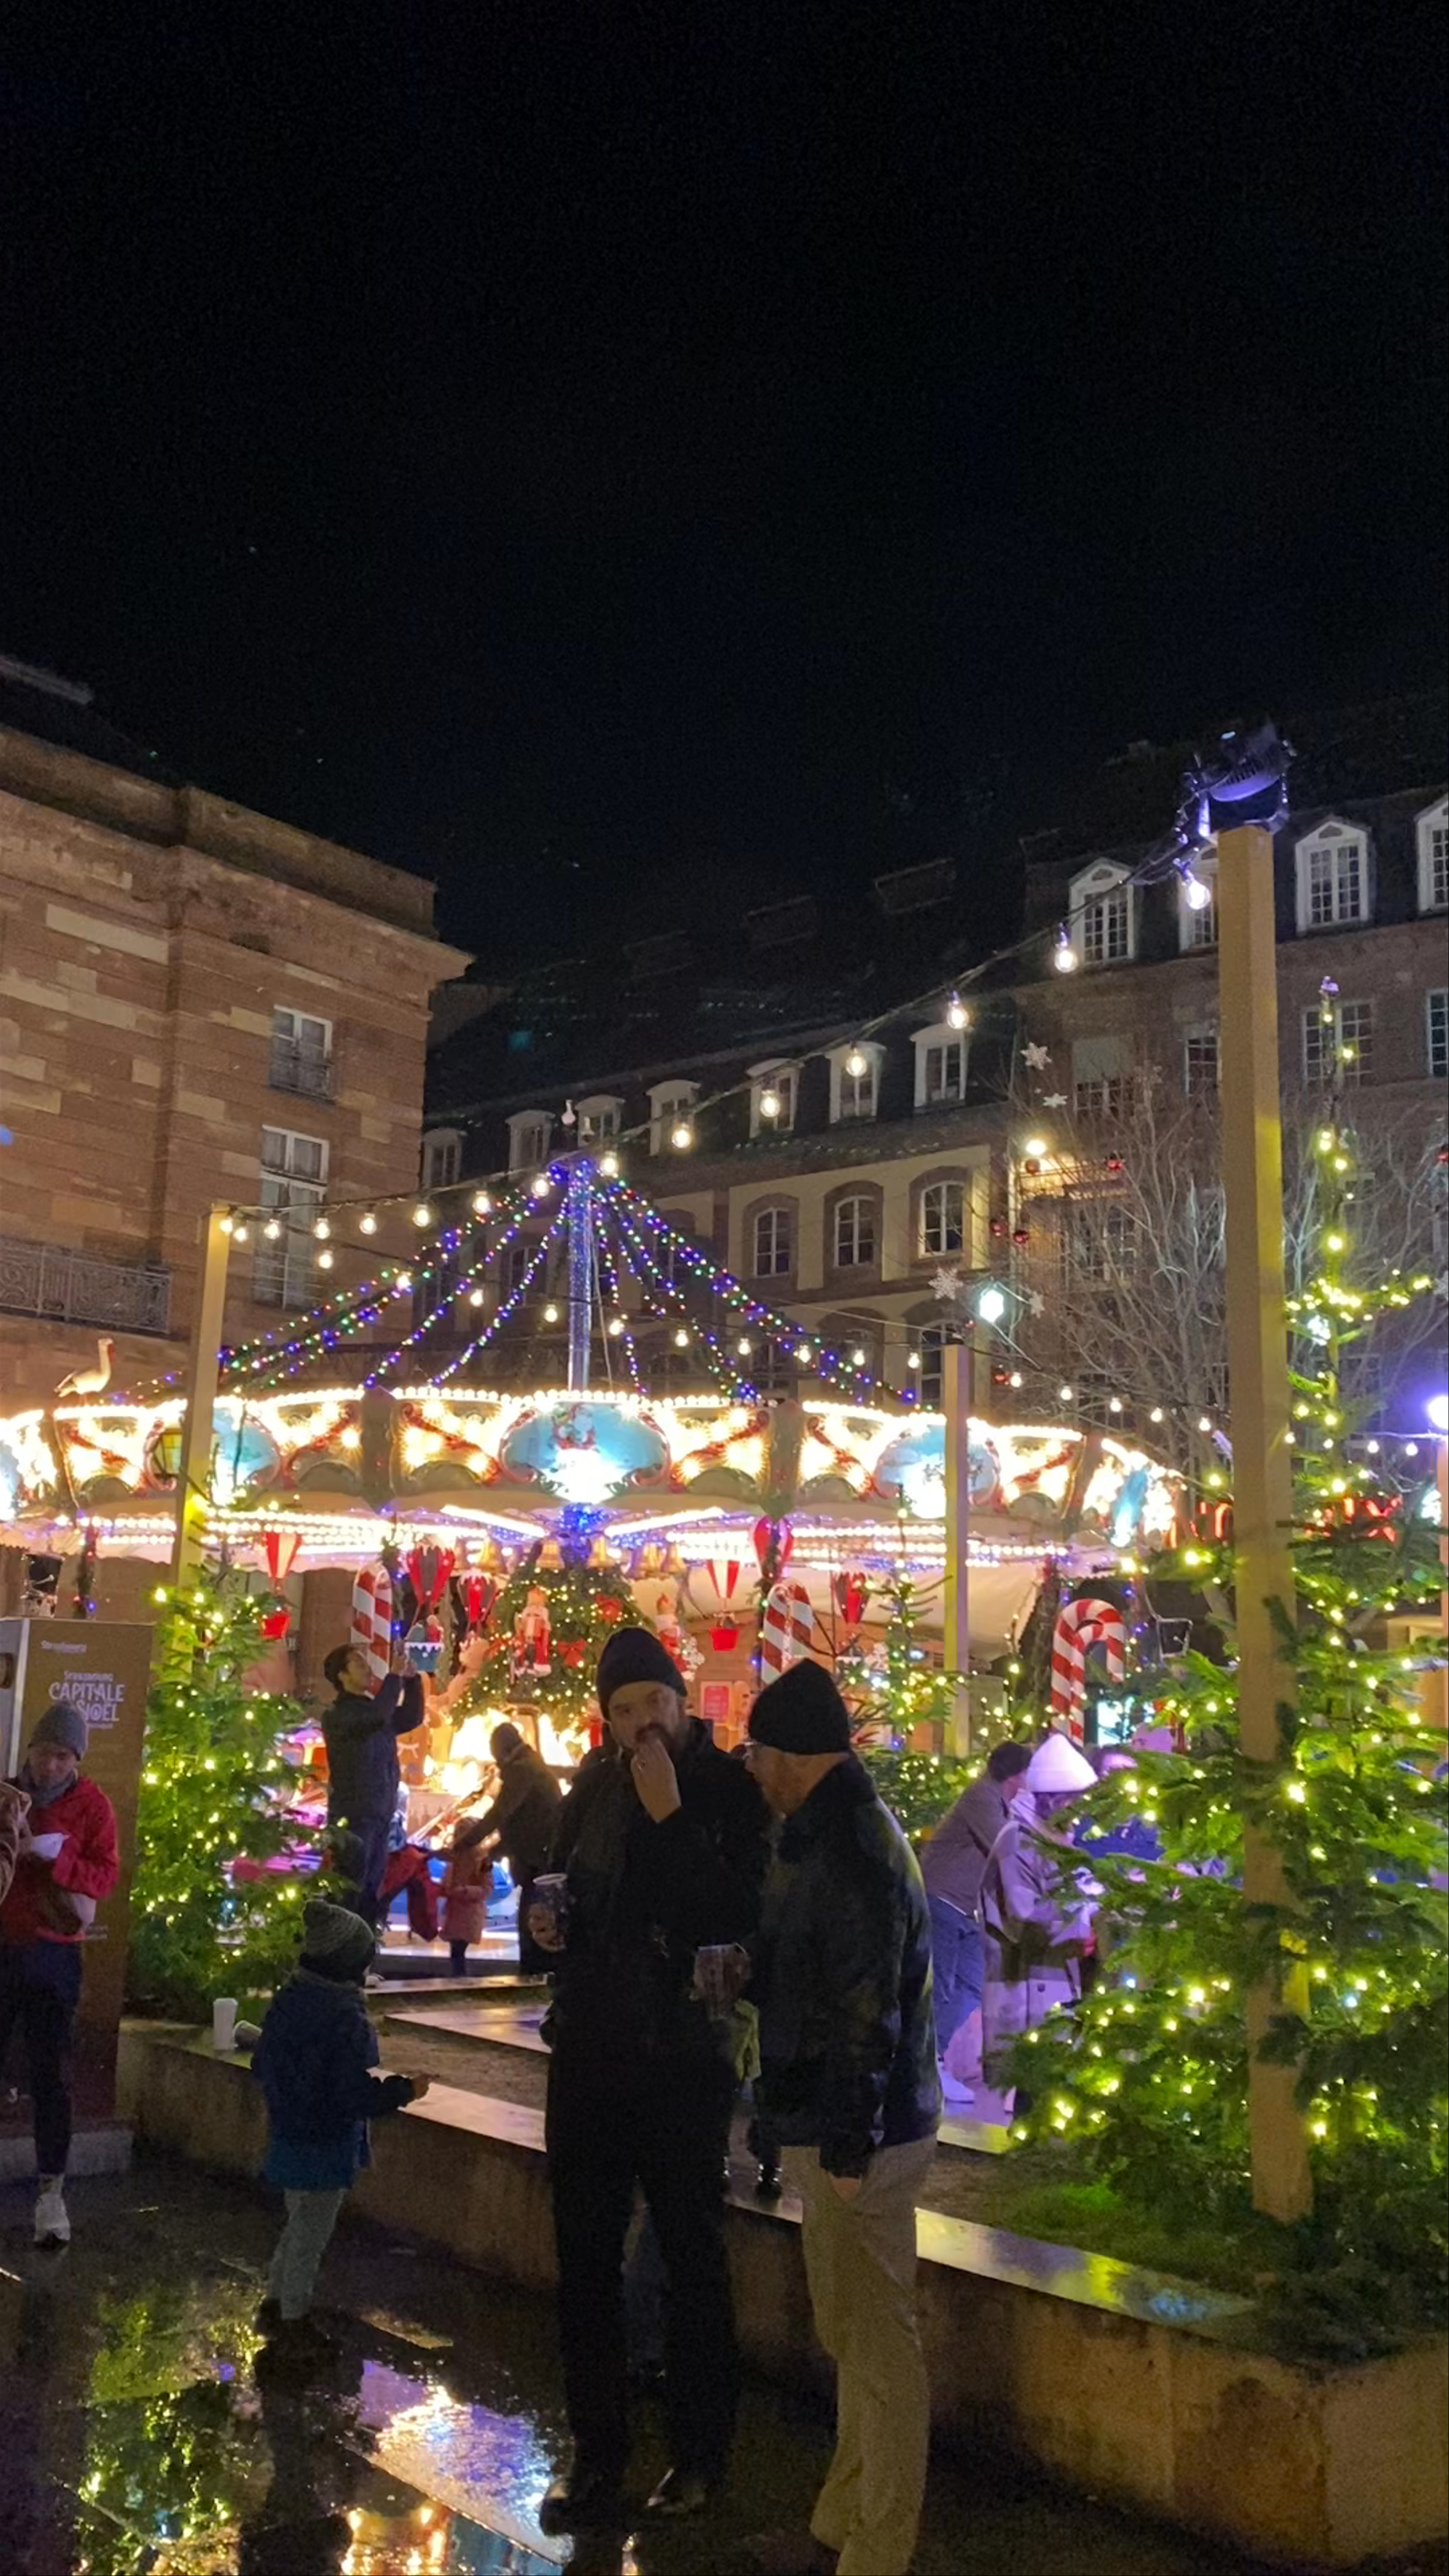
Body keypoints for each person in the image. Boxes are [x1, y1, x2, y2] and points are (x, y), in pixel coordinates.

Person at [532, 1627, 769, 2533]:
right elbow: (565, 1887)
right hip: (592, 2047)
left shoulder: (722, 1791)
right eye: (623, 1710)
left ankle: (700, 2452)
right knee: (584, 2258)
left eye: (653, 1705)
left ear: (682, 1703)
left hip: (679, 2057)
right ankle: (597, 2452)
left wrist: (671, 1818)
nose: (640, 1725)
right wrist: (550, 1924)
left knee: (689, 2255)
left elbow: (733, 1911)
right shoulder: (591, 1784)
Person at [744, 1660, 941, 2576]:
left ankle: (880, 2539)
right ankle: (847, 2509)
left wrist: (851, 2141)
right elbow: (815, 1971)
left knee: (873, 2337)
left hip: (862, 2127)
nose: (748, 1765)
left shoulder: (849, 1849)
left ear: (791, 1755)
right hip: (843, 2118)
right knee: (851, 2329)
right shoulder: (816, 1838)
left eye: (756, 1749)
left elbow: (868, 2008)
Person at [251, 1896, 429, 2367]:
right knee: (312, 2234)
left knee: (297, 2223)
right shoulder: (345, 2019)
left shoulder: (290, 2001)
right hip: (326, 2143)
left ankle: (274, 2301)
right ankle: (293, 2318)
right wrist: (403, 2091)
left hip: (288, 2134)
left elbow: (263, 2062)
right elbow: (353, 2092)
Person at [0, 1701, 119, 2246]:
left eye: (65, 1757)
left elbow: (105, 1876)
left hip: (53, 1953)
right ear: (31, 1749)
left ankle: (52, 2192)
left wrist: (56, 1857)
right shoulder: (7, 1794)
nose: (53, 1766)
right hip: (4, 1944)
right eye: (47, 1753)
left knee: (52, 2074)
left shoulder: (91, 1805)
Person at [979, 1731, 1098, 2104]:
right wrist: (1083, 1916)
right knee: (1033, 2091)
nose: (1078, 1810)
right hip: (1027, 1986)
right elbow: (1025, 1913)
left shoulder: (1055, 1839)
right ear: (1052, 1797)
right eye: (1072, 1801)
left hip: (1054, 1982)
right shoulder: (1018, 1840)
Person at [920, 1740, 1033, 2102]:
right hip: (943, 1900)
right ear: (1017, 1775)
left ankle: (929, 2060)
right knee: (943, 1987)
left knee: (971, 1985)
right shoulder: (981, 1798)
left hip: (967, 1908)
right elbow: (1006, 1849)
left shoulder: (1000, 1802)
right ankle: (927, 2067)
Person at [319, 1646, 425, 1929]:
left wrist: (412, 1681)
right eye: (358, 1663)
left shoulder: (373, 1709)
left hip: (379, 1813)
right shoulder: (339, 1715)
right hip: (355, 1815)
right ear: (341, 1676)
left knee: (371, 1891)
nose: (368, 1668)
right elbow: (377, 1717)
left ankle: (362, 1954)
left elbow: (411, 1717)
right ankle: (341, 1949)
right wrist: (394, 1677)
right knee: (350, 1888)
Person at [458, 1721, 563, 1974]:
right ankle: (536, 1972)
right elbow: (521, 1821)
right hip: (541, 1854)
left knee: (534, 1922)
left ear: (500, 1748)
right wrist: (494, 1852)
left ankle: (534, 1975)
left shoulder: (522, 1769)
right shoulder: (530, 1764)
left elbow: (501, 1814)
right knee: (535, 1919)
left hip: (538, 1860)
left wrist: (465, 1843)